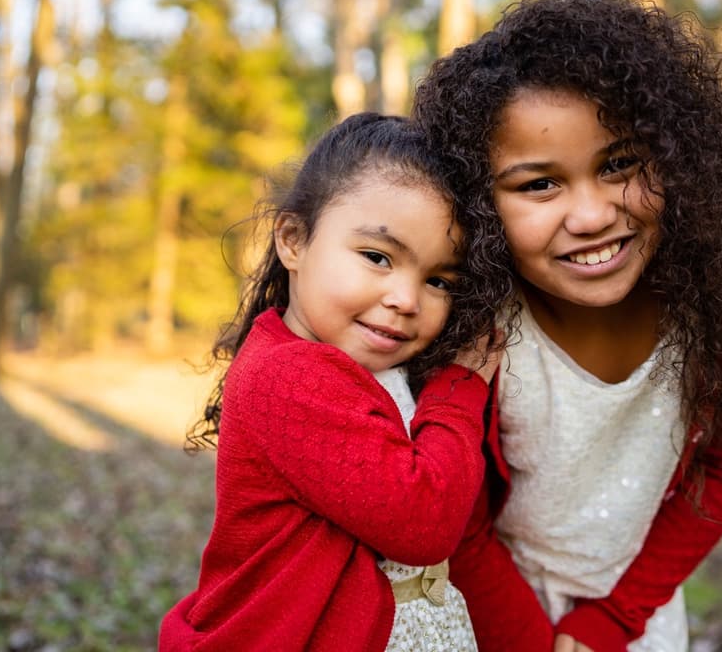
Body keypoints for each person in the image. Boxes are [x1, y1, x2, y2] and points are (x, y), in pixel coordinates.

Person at [412, 0, 722, 652]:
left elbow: (721, 470)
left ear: (677, 158)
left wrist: (613, 620)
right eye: (539, 184)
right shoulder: (473, 327)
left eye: (620, 164)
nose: (593, 214)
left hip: (634, 614)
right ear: (476, 202)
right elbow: (451, 512)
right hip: (479, 614)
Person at [159, 113, 512, 652]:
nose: (406, 299)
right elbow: (424, 520)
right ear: (294, 240)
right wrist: (461, 385)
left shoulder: (372, 366)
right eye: (377, 257)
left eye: (439, 280)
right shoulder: (288, 376)